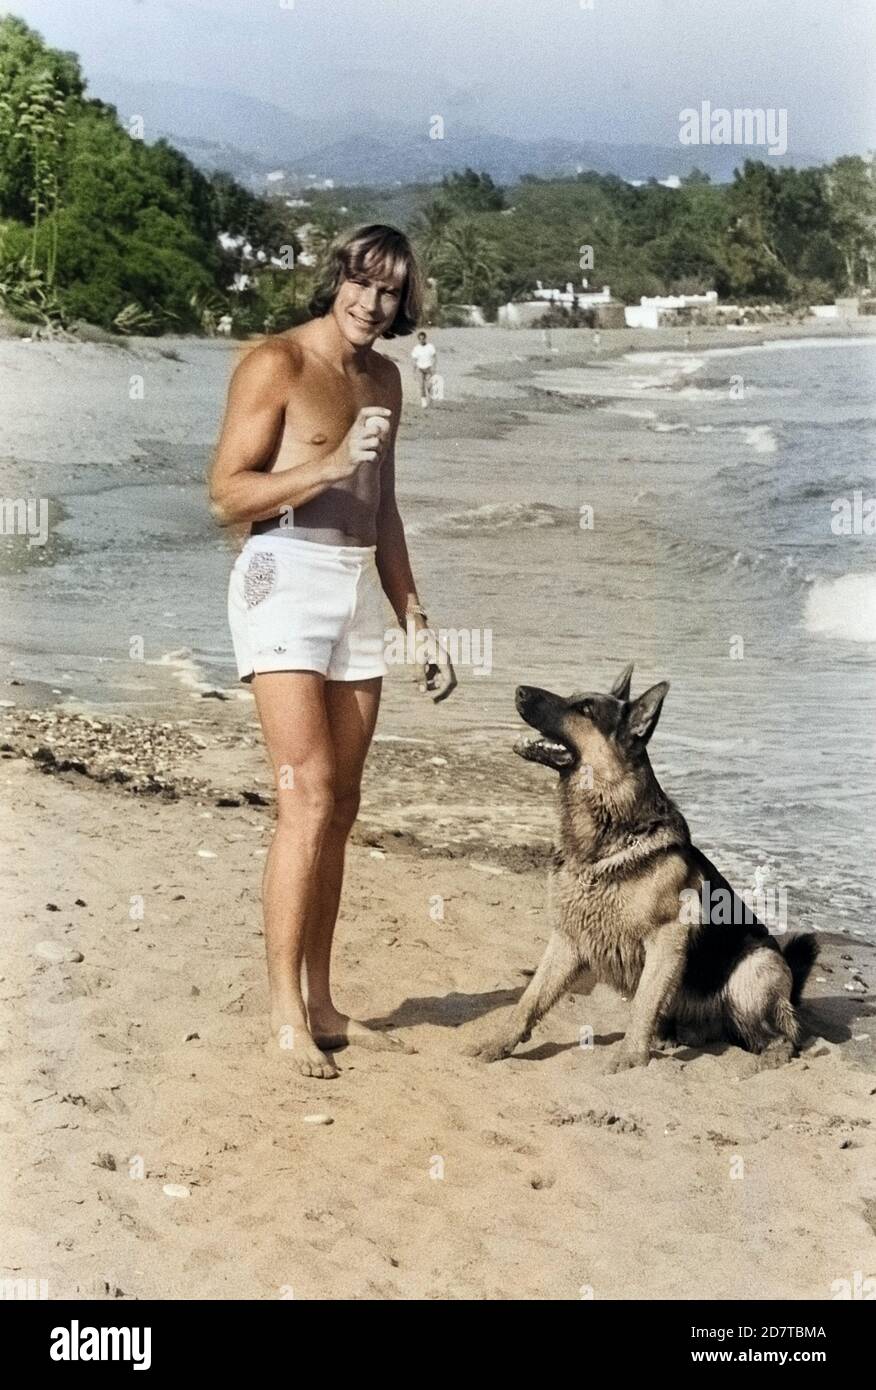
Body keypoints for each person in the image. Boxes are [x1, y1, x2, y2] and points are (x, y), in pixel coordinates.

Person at [208, 224, 456, 1078]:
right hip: (281, 577)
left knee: (342, 804)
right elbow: (225, 495)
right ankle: (282, 1012)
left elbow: (381, 507)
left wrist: (416, 616)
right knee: (305, 798)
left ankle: (319, 995)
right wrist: (330, 463)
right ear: (337, 279)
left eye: (389, 293)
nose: (371, 303)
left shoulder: (386, 377)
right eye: (360, 283)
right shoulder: (275, 363)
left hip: (353, 588)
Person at [410, 329, 437, 407]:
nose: (422, 340)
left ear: (425, 338)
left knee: (428, 386)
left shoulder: (430, 347)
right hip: (420, 369)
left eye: (423, 338)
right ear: (418, 339)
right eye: (420, 339)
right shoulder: (416, 348)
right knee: (421, 386)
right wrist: (413, 371)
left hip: (428, 368)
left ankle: (431, 399)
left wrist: (434, 367)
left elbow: (435, 357)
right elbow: (414, 361)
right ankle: (424, 402)